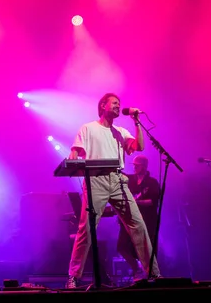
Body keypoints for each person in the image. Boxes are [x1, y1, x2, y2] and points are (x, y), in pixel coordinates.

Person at [66, 93, 160, 289]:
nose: (119, 106)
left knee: (138, 225)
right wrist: (73, 163)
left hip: (118, 179)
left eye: (120, 104)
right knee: (87, 229)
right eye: (115, 103)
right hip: (95, 180)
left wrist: (136, 122)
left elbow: (139, 146)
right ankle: (74, 276)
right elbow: (75, 152)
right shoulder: (88, 128)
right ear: (103, 105)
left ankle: (153, 273)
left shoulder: (121, 131)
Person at [116, 154, 160, 278]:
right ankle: (136, 268)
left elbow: (153, 201)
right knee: (121, 246)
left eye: (137, 165)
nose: (134, 167)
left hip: (147, 220)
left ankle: (150, 273)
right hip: (128, 219)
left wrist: (137, 202)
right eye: (134, 165)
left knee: (146, 247)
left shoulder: (152, 182)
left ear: (144, 166)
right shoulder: (129, 179)